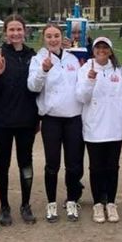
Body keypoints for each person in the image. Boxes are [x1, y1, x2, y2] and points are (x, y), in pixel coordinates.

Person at [0, 14, 39, 226]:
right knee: (3, 165)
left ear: (25, 31)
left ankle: (25, 205)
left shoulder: (32, 56)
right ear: (5, 32)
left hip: (26, 120)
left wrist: (38, 118)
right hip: (2, 121)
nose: (15, 33)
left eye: (19, 29)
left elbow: (38, 89)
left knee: (25, 163)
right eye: (11, 30)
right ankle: (4, 206)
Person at [27, 23, 85, 222]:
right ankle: (51, 203)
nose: (53, 39)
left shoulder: (72, 59)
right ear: (44, 38)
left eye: (56, 35)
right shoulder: (37, 59)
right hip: (51, 120)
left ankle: (71, 200)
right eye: (49, 36)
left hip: (73, 119)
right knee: (52, 164)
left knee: (74, 164)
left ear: (62, 37)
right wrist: (43, 69)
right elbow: (33, 86)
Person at [76, 37, 122, 223]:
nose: (102, 50)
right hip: (94, 127)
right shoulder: (85, 69)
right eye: (98, 47)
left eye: (105, 47)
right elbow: (81, 97)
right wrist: (90, 80)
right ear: (94, 50)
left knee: (112, 167)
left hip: (115, 127)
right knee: (96, 167)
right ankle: (98, 203)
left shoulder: (118, 71)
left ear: (111, 50)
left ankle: (111, 203)